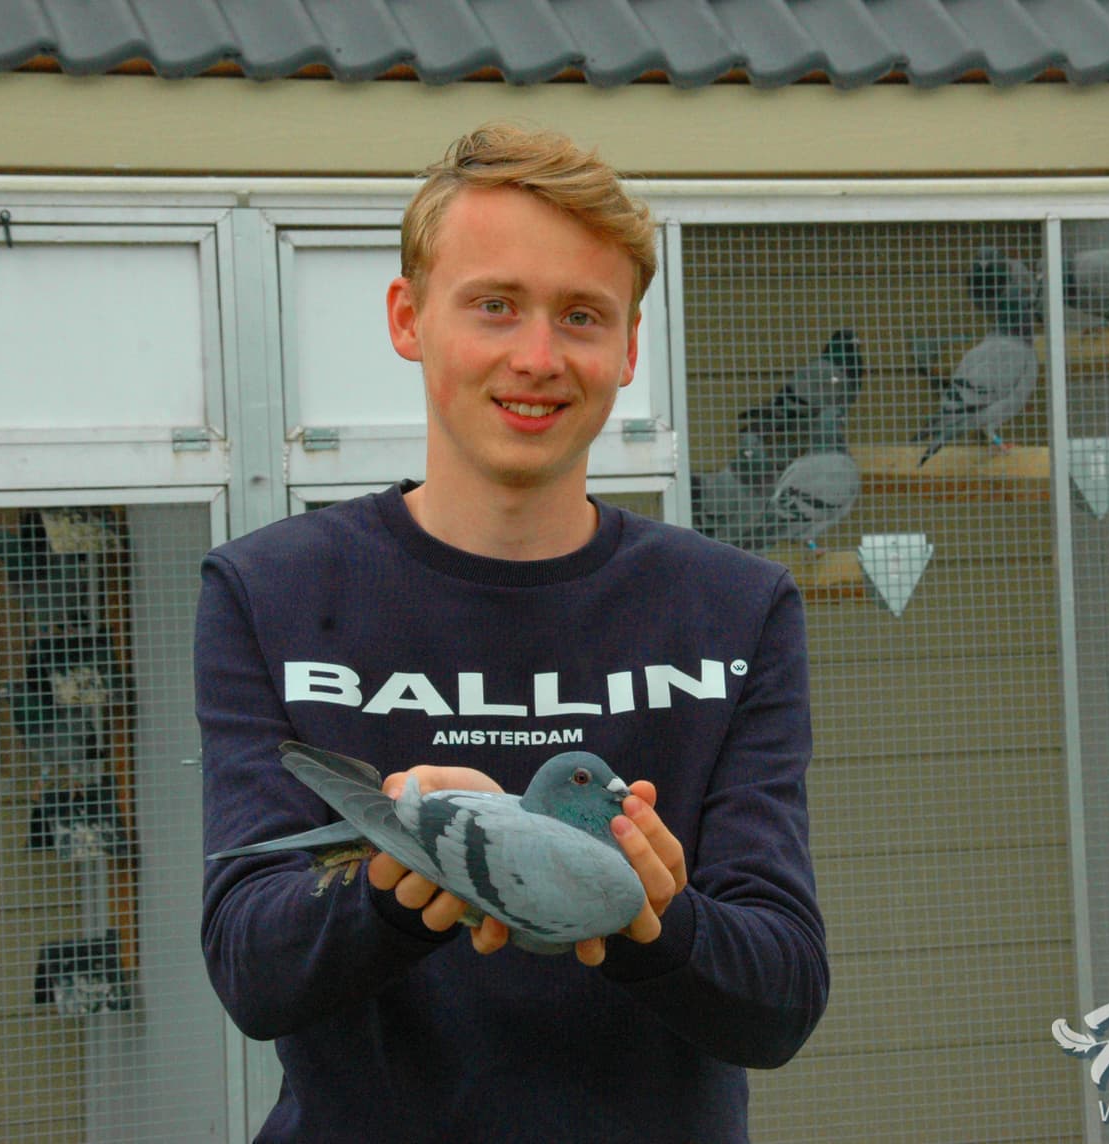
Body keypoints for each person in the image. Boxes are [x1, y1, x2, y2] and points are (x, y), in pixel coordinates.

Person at [196, 122, 828, 1143]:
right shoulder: (269, 592)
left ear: (629, 347)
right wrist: (403, 875)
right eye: (494, 304)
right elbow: (251, 968)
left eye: (581, 315)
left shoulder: (733, 610)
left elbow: (779, 997)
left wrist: (650, 912)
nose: (537, 358)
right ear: (408, 318)